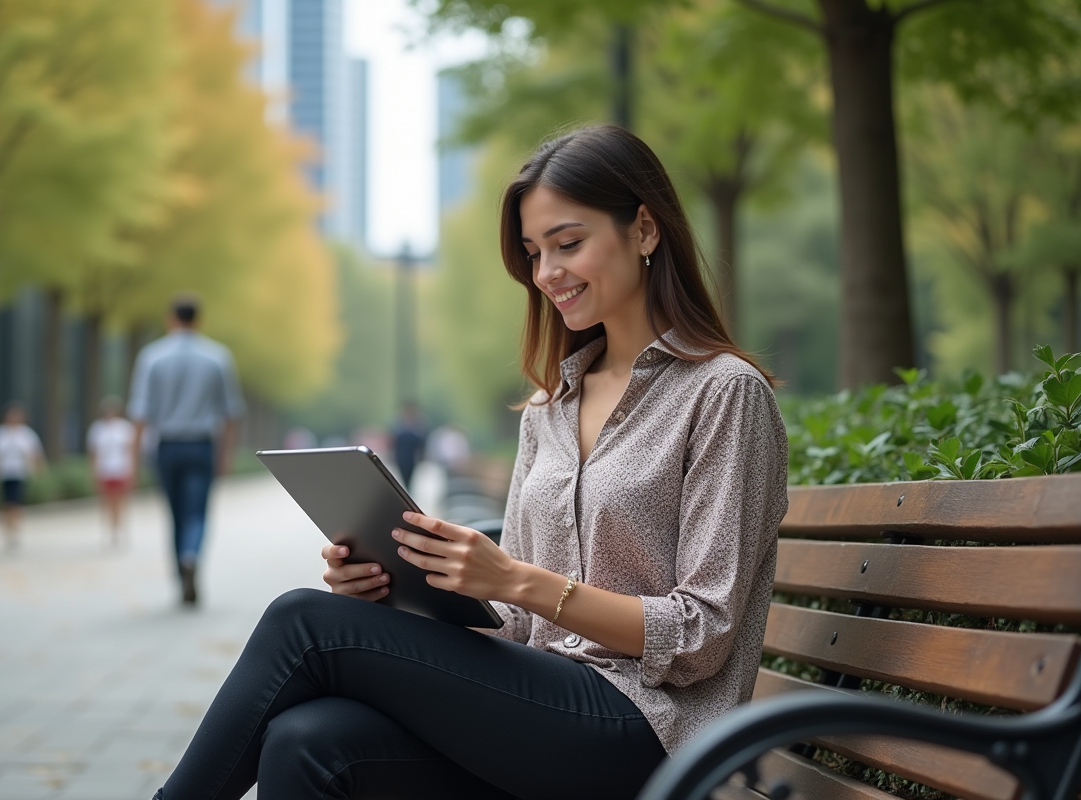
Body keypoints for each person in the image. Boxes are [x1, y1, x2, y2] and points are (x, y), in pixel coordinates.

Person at [151, 125, 789, 800]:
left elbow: (702, 636)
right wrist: (401, 592)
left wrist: (517, 580)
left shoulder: (723, 393)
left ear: (645, 230)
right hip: (544, 715)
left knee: (302, 623)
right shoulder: (551, 404)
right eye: (534, 252)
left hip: (650, 734)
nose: (547, 274)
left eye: (568, 243)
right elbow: (516, 627)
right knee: (306, 740)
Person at [128, 294, 245, 606]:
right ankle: (191, 555)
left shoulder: (152, 356)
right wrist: (225, 454)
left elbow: (141, 412)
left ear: (171, 318)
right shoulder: (218, 357)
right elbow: (231, 412)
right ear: (198, 319)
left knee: (175, 514)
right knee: (197, 512)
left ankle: (181, 576)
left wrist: (133, 457)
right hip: (201, 445)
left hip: (166, 446)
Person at [0, 403, 45, 551]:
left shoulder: (27, 434)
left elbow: (35, 455)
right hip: (4, 473)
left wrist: (38, 470)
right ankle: (8, 531)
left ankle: (16, 528)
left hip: (19, 473)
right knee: (6, 504)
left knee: (16, 503)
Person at [87, 396, 137, 548]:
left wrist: (132, 469)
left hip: (120, 469)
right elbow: (93, 453)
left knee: (121, 502)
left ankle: (121, 529)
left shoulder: (124, 428)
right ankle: (110, 530)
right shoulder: (97, 429)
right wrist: (93, 472)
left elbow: (130, 450)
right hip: (104, 470)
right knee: (107, 502)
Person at [391, 401, 427, 487]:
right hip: (401, 458)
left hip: (412, 458)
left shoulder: (419, 424)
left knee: (412, 480)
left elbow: (422, 442)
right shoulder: (398, 424)